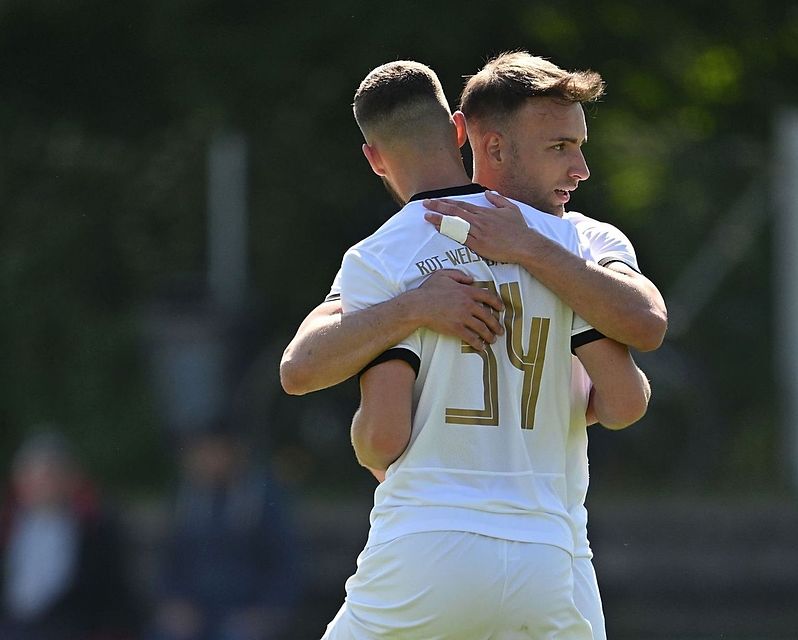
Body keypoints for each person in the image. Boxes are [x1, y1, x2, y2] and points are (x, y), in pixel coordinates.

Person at [281, 52, 665, 639]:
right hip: (550, 556)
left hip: (428, 540)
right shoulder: (573, 248)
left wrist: (369, 443)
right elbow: (626, 400)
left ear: (373, 158)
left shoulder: (389, 255)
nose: (581, 168)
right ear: (469, 137)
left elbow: (363, 420)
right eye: (560, 147)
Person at [148, 422, 302, 640]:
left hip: (246, 609)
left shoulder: (263, 500)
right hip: (194, 610)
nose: (207, 460)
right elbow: (169, 561)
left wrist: (267, 610)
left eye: (214, 451)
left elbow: (284, 565)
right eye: (201, 452)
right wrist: (174, 602)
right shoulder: (184, 499)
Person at [0, 430, 138, 640]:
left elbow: (110, 597)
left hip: (67, 628)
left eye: (46, 475)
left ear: (68, 478)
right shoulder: (11, 525)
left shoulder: (92, 528)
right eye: (28, 474)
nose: (36, 483)